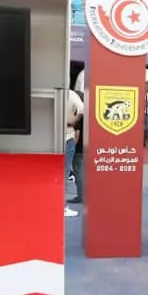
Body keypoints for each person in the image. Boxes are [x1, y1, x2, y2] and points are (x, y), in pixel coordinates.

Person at [64, 88, 84, 218]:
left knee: (75, 170)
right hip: (74, 140)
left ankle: (81, 195)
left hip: (75, 144)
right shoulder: (75, 101)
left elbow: (77, 134)